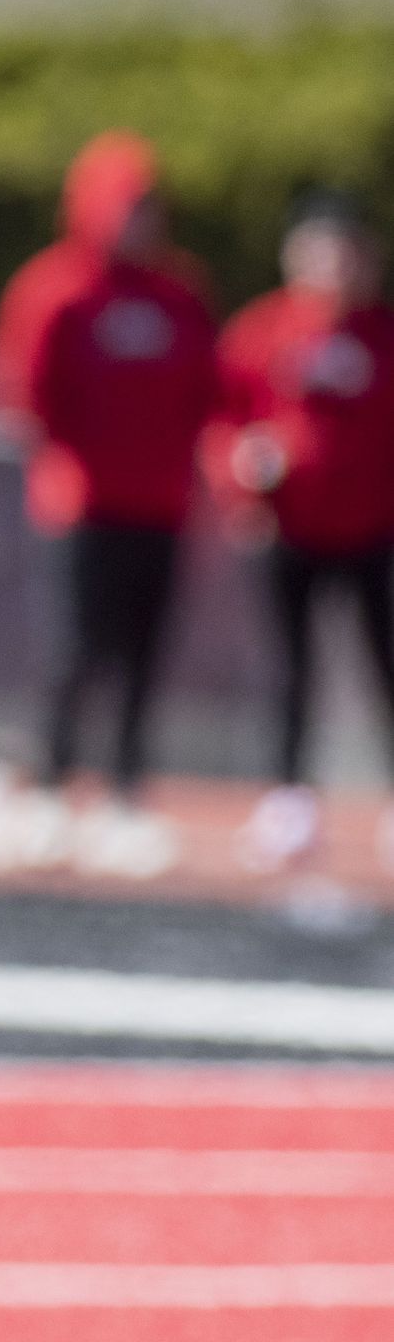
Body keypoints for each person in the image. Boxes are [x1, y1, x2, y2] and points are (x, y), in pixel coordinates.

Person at [0, 130, 216, 861]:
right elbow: (22, 391)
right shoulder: (54, 286)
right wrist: (77, 456)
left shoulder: (181, 292)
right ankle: (51, 792)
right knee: (73, 651)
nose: (139, 222)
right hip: (79, 506)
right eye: (127, 207)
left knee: (144, 657)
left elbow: (207, 392)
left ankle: (124, 797)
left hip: (161, 505)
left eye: (150, 207)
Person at [206, 190, 394, 872]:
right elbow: (223, 422)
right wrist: (240, 479)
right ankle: (290, 804)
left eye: (349, 251)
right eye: (323, 250)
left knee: (386, 667)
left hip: (375, 530)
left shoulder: (383, 335)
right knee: (289, 671)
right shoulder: (261, 333)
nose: (336, 266)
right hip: (289, 530)